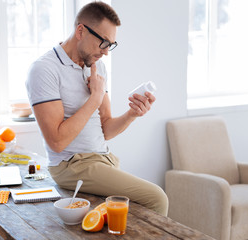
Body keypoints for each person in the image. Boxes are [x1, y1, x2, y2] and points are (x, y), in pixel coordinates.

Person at [26, 2, 168, 216]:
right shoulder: (44, 69)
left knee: (131, 215)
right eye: (103, 42)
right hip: (71, 165)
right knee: (157, 197)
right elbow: (56, 142)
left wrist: (132, 114)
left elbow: (106, 130)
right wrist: (95, 98)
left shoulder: (97, 67)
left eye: (111, 45)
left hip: (102, 160)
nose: (106, 52)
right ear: (81, 31)